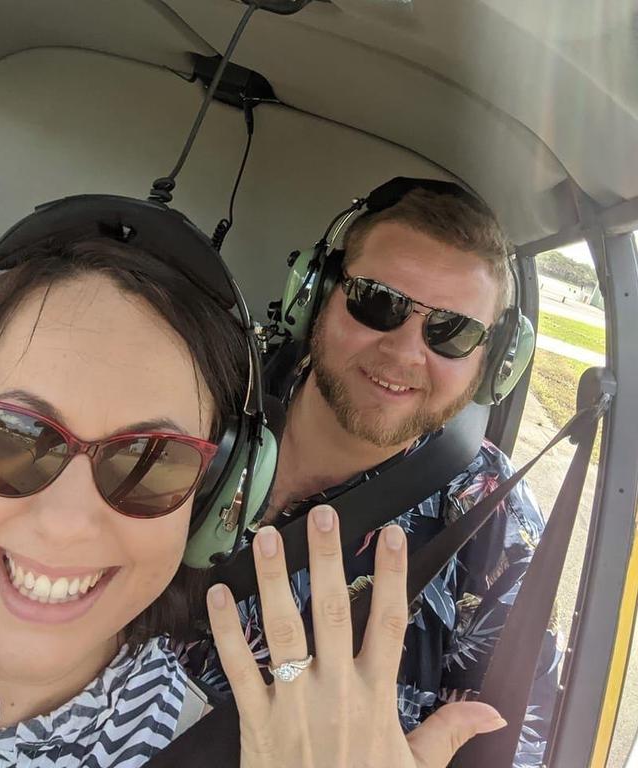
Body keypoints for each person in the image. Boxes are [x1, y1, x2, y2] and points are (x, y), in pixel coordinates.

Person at [0, 225, 506, 768]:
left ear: (209, 510)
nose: (65, 524)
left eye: (151, 462)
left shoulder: (202, 744)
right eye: (13, 435)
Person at [190, 179, 557, 768]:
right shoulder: (198, 400)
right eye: (377, 301)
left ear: (495, 362)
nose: (406, 352)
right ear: (315, 295)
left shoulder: (491, 527)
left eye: (453, 332)